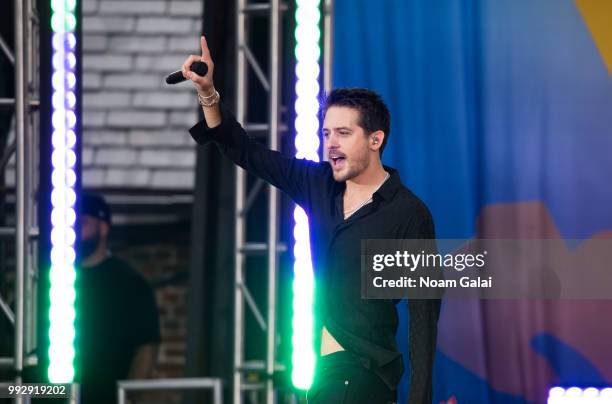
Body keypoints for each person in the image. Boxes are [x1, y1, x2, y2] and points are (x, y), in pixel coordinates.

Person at [184, 36, 440, 404]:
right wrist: (208, 92)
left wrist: (419, 399)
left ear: (375, 139)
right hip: (324, 374)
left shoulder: (408, 215)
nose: (331, 143)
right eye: (327, 133)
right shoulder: (319, 185)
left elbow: (423, 317)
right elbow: (244, 150)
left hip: (363, 372)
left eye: (344, 133)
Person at [77, 192, 161, 404]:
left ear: (103, 227)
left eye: (82, 223)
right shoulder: (48, 277)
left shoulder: (129, 282)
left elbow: (146, 346)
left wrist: (130, 397)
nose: (74, 231)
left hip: (106, 396)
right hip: (55, 395)